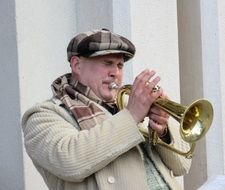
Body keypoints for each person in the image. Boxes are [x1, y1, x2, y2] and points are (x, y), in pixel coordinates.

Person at [22, 28, 192, 190]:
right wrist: (132, 116)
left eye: (119, 65)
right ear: (77, 65)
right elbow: (71, 161)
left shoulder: (126, 103)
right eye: (107, 63)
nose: (115, 72)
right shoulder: (43, 115)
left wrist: (163, 132)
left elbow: (182, 167)